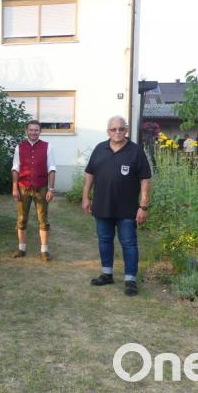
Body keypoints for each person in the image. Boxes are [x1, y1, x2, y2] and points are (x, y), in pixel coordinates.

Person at [82, 116, 152, 297]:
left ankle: (130, 279)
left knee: (129, 243)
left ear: (126, 130)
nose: (117, 132)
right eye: (113, 129)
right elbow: (89, 174)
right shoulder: (99, 149)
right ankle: (106, 274)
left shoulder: (135, 151)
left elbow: (145, 179)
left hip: (127, 208)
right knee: (104, 240)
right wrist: (85, 197)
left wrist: (143, 206)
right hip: (102, 205)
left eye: (121, 129)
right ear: (108, 131)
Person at [11, 120, 57, 261]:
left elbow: (52, 168)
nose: (33, 132)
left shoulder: (47, 147)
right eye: (31, 130)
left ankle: (44, 250)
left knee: (43, 219)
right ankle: (21, 248)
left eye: (36, 130)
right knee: (21, 219)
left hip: (41, 187)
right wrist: (15, 188)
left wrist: (51, 189)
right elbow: (15, 168)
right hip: (23, 187)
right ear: (26, 131)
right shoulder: (20, 147)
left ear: (40, 131)